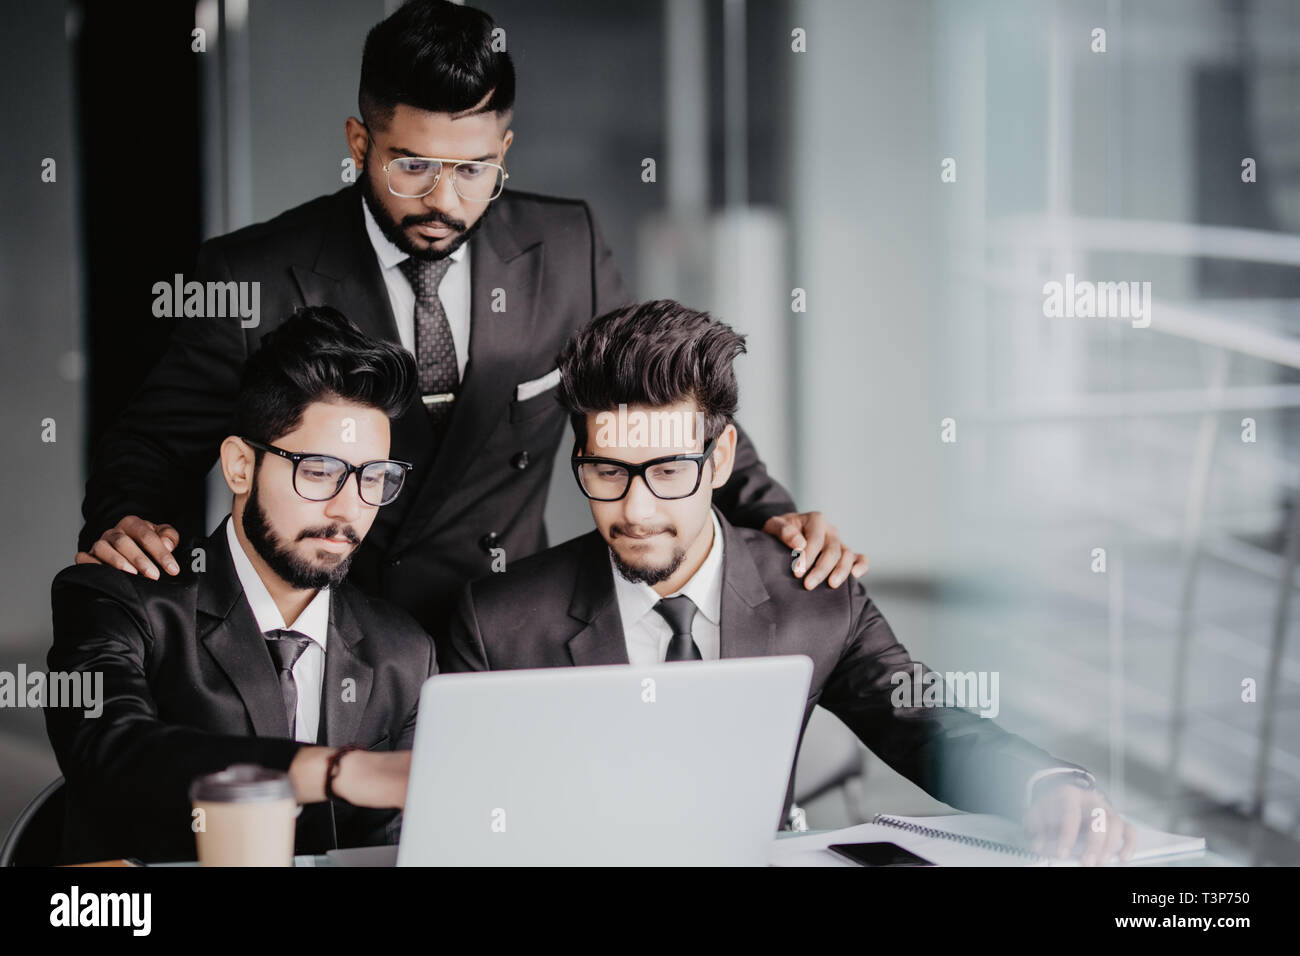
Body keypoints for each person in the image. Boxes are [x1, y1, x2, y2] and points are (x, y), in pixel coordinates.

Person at [74, 0, 866, 636]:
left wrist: (774, 512)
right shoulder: (253, 271)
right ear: (360, 142)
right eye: (412, 165)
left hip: (511, 625)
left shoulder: (566, 243)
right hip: (335, 635)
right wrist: (129, 518)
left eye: (474, 170)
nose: (444, 200)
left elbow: (655, 392)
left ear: (505, 150)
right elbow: (152, 442)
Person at [439, 299, 1138, 865]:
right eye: (607, 473)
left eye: (669, 470)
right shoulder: (496, 623)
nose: (637, 509)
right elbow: (466, 823)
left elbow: (925, 724)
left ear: (721, 460)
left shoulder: (816, 596)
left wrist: (1045, 785)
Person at [47, 308, 431, 864]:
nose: (348, 509)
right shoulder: (120, 600)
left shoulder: (406, 652)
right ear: (239, 467)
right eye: (320, 470)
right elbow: (113, 755)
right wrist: (338, 772)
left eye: (373, 478)